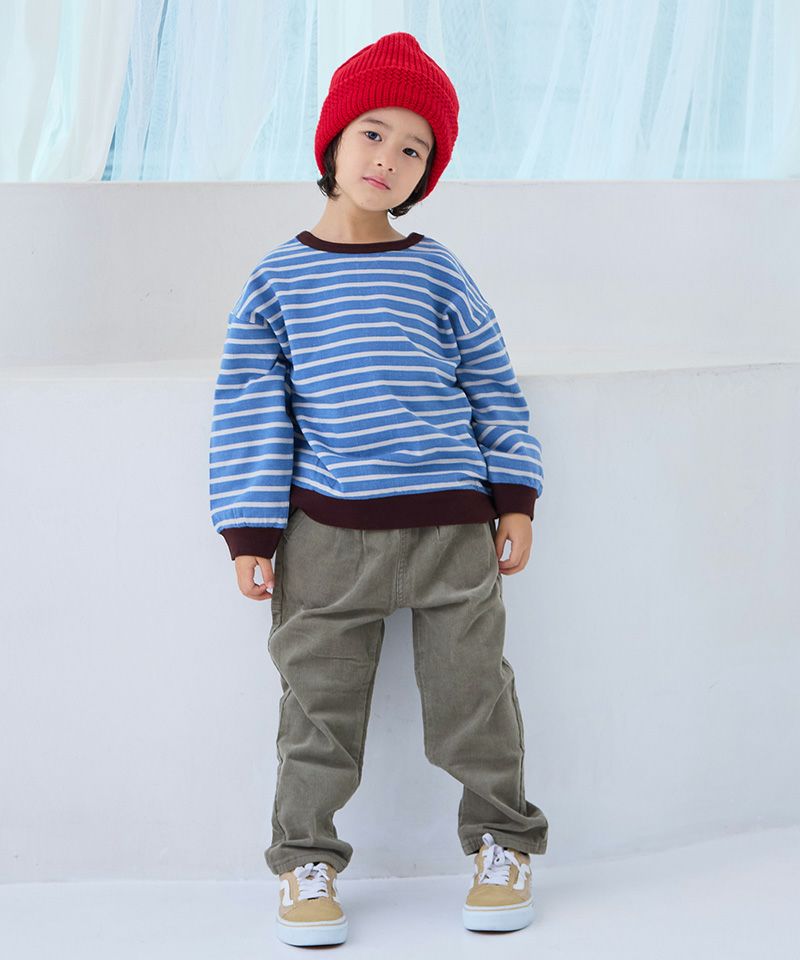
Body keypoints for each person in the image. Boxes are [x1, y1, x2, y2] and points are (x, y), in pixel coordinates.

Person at [208, 31, 548, 947]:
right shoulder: (278, 279)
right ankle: (305, 860)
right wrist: (249, 532)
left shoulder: (437, 269)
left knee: (475, 700)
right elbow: (250, 408)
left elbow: (492, 385)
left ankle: (504, 843)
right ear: (332, 139)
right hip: (327, 536)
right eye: (373, 133)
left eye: (413, 150)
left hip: (451, 530)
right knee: (317, 713)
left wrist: (515, 495)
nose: (389, 159)